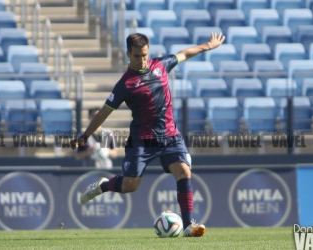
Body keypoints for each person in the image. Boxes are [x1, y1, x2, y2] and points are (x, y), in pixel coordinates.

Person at [71, 32, 225, 237]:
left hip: (171, 136)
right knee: (130, 185)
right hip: (142, 141)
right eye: (136, 56)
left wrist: (206, 46)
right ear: (128, 54)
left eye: (144, 54)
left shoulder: (160, 65)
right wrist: (85, 134)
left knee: (184, 172)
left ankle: (189, 225)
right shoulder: (125, 84)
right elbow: (104, 112)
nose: (142, 60)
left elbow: (183, 54)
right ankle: (103, 185)